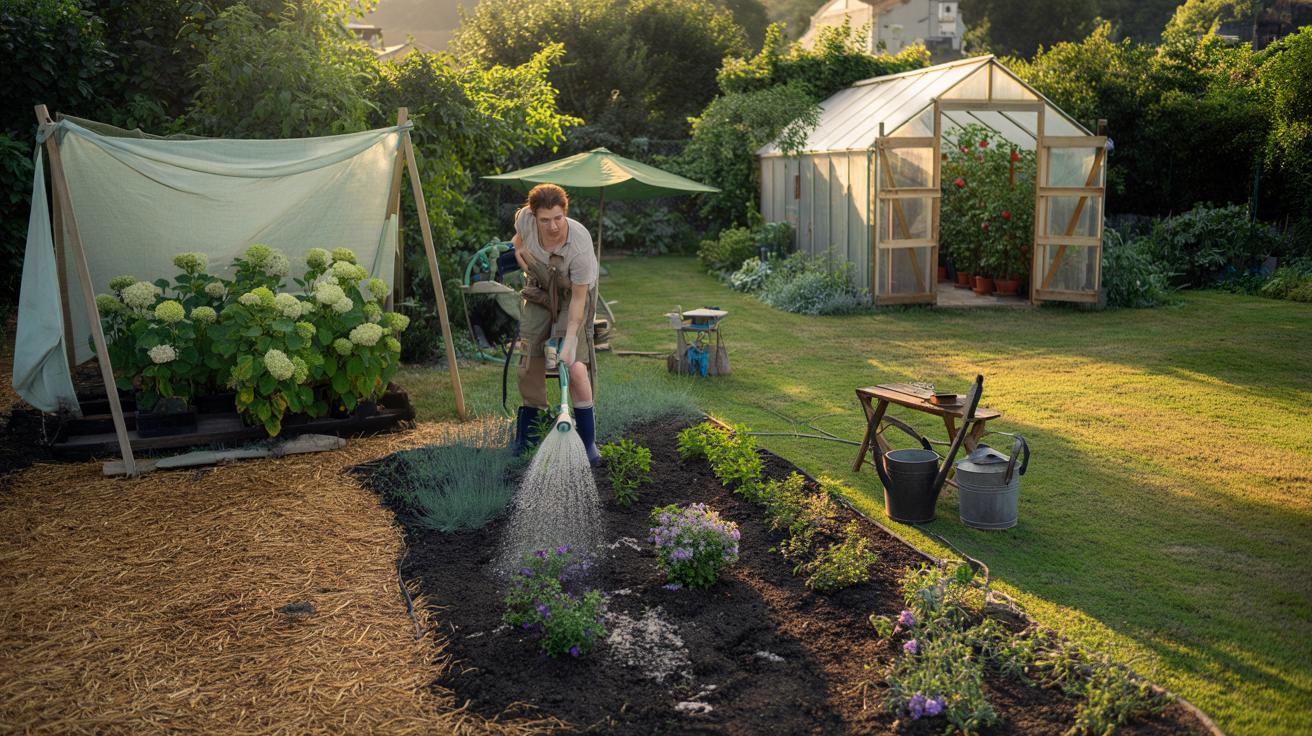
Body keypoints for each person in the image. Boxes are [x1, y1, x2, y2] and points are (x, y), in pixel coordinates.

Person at [504, 183, 600, 465]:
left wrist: (569, 342)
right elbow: (518, 237)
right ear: (535, 216)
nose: (553, 226)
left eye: (558, 218)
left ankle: (588, 443)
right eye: (545, 220)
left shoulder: (580, 246)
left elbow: (580, 302)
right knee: (527, 362)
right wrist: (517, 250)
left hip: (573, 294)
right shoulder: (525, 219)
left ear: (565, 213)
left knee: (575, 365)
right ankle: (530, 435)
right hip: (540, 287)